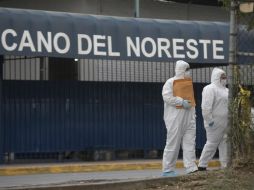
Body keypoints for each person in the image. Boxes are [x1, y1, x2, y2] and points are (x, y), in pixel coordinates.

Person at [162, 60, 198, 177]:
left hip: (189, 117)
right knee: (173, 143)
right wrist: (181, 101)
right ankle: (168, 169)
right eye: (187, 69)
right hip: (175, 118)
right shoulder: (170, 82)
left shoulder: (188, 83)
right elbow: (166, 97)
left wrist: (193, 114)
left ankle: (191, 167)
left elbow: (191, 100)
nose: (189, 72)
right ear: (181, 70)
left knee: (190, 142)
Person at [198, 67, 229, 171]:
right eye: (222, 77)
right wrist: (209, 120)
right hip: (214, 123)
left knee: (224, 143)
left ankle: (225, 165)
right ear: (216, 77)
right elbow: (206, 107)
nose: (225, 79)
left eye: (225, 77)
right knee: (212, 143)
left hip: (225, 123)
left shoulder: (226, 90)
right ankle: (202, 165)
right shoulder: (210, 89)